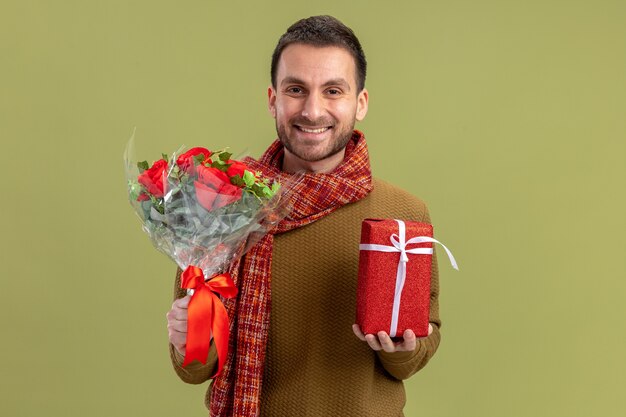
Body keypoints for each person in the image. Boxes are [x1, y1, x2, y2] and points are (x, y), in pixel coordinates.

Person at [166, 15, 441, 417]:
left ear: (359, 103)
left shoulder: (403, 214)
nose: (313, 111)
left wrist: (406, 347)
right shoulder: (221, 205)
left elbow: (425, 342)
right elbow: (195, 369)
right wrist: (188, 337)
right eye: (296, 89)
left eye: (333, 90)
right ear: (272, 99)